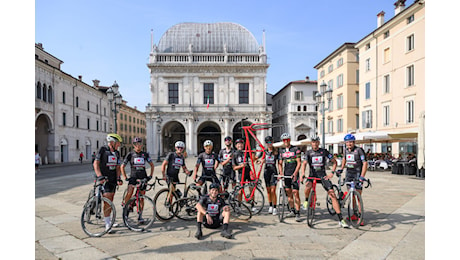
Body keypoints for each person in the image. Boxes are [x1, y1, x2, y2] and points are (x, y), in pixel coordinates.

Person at [300, 137, 349, 228]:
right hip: (312, 175)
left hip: (323, 175)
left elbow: (334, 162)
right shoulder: (309, 153)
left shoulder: (324, 151)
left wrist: (332, 173)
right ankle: (307, 200)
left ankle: (341, 219)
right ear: (311, 143)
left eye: (316, 142)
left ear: (319, 143)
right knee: (307, 186)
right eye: (313, 142)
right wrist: (302, 173)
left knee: (332, 194)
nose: (315, 144)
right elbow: (304, 163)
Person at [93, 133, 123, 231]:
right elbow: (96, 164)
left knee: (110, 201)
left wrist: (119, 178)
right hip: (104, 178)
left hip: (112, 179)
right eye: (118, 143)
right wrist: (99, 176)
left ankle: (108, 219)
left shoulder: (117, 153)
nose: (119, 145)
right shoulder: (103, 150)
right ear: (112, 142)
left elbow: (118, 167)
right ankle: (107, 224)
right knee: (107, 200)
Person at [120, 137, 154, 223]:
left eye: (139, 144)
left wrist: (150, 175)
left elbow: (152, 165)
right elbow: (122, 166)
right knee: (129, 192)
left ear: (142, 145)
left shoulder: (145, 154)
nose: (138, 146)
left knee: (141, 197)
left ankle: (140, 215)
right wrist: (124, 177)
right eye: (136, 144)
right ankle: (126, 208)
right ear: (134, 145)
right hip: (133, 177)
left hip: (143, 177)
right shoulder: (130, 154)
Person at [338, 133, 368, 225]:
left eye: (350, 142)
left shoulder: (359, 150)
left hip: (357, 173)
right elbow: (344, 159)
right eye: (347, 142)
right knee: (352, 196)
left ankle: (360, 217)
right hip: (349, 174)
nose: (349, 144)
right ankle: (354, 214)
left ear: (354, 142)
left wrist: (362, 176)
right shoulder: (346, 150)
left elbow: (365, 163)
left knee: (358, 196)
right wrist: (341, 169)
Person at [277, 133, 302, 221]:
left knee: (296, 193)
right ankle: (292, 210)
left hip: (294, 174)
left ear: (289, 140)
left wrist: (295, 173)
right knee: (289, 193)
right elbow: (280, 163)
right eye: (284, 140)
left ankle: (298, 212)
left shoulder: (295, 149)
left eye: (287, 139)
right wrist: (280, 173)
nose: (286, 141)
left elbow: (299, 163)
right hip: (286, 174)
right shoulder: (281, 150)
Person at [256, 136, 279, 215]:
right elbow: (256, 159)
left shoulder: (276, 151)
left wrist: (280, 173)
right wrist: (259, 160)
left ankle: (275, 207)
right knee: (268, 190)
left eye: (270, 142)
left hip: (273, 171)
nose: (269, 144)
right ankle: (270, 206)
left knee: (273, 190)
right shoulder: (264, 151)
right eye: (267, 142)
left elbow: (279, 162)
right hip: (266, 171)